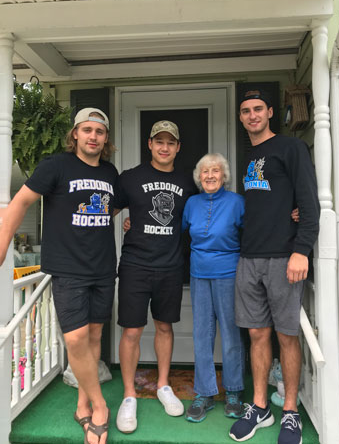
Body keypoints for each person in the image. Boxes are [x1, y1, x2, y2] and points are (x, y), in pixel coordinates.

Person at [0, 108, 119, 444]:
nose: (93, 136)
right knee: (76, 339)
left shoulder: (110, 173)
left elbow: (114, 205)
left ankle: (82, 404)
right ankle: (100, 407)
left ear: (106, 138)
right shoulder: (56, 165)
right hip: (68, 268)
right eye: (87, 130)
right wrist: (3, 244)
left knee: (95, 336)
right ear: (75, 135)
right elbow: (21, 202)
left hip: (103, 267)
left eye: (99, 131)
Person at [229, 89, 320, 444]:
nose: (252, 115)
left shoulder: (291, 148)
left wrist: (302, 250)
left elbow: (308, 202)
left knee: (287, 335)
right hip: (249, 257)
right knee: (257, 334)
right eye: (245, 111)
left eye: (257, 110)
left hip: (284, 257)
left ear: (269, 112)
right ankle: (259, 406)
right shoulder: (250, 156)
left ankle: (291, 411)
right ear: (240, 118)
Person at [114, 120, 197, 434]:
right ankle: (129, 395)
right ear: (149, 144)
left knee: (165, 326)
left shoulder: (188, 182)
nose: (164, 147)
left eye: (171, 142)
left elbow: (207, 208)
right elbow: (107, 212)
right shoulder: (130, 178)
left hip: (170, 265)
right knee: (132, 331)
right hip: (135, 264)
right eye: (159, 141)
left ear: (178, 147)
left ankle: (163, 385)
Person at [182, 152, 245, 423]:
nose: (210, 176)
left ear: (224, 176)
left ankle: (233, 392)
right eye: (205, 171)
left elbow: (253, 231)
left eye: (216, 171)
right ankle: (205, 393)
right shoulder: (191, 203)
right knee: (201, 334)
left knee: (231, 335)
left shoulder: (237, 202)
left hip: (229, 274)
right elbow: (177, 230)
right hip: (199, 274)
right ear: (199, 176)